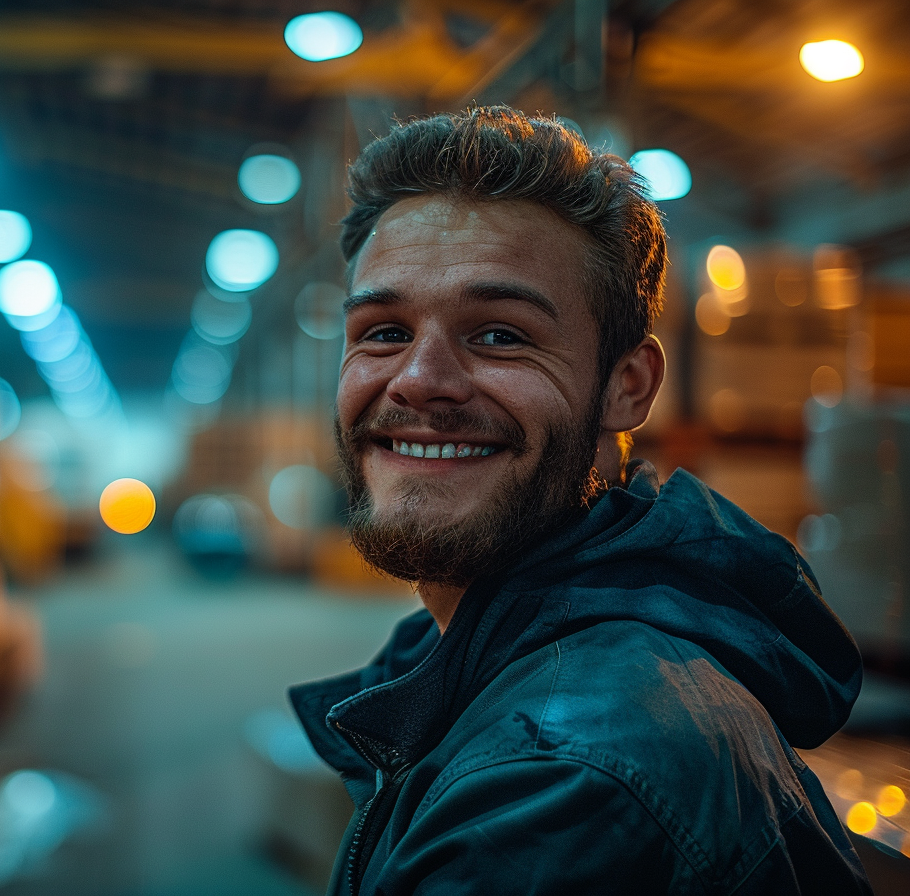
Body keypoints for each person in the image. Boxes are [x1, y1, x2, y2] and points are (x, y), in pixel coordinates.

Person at [290, 106, 871, 895]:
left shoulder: (565, 781)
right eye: (383, 332)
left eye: (499, 334)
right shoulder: (510, 656)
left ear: (627, 388)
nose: (418, 379)